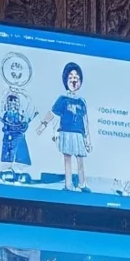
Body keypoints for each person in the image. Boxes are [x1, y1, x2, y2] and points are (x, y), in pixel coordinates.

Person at [48, 63, 88, 191]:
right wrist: (45, 126)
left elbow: (86, 121)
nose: (74, 79)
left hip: (79, 134)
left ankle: (82, 184)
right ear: (66, 80)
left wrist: (88, 138)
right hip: (66, 132)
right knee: (67, 158)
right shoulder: (62, 99)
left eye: (76, 77)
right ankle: (68, 184)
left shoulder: (82, 101)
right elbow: (53, 114)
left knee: (80, 158)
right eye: (70, 76)